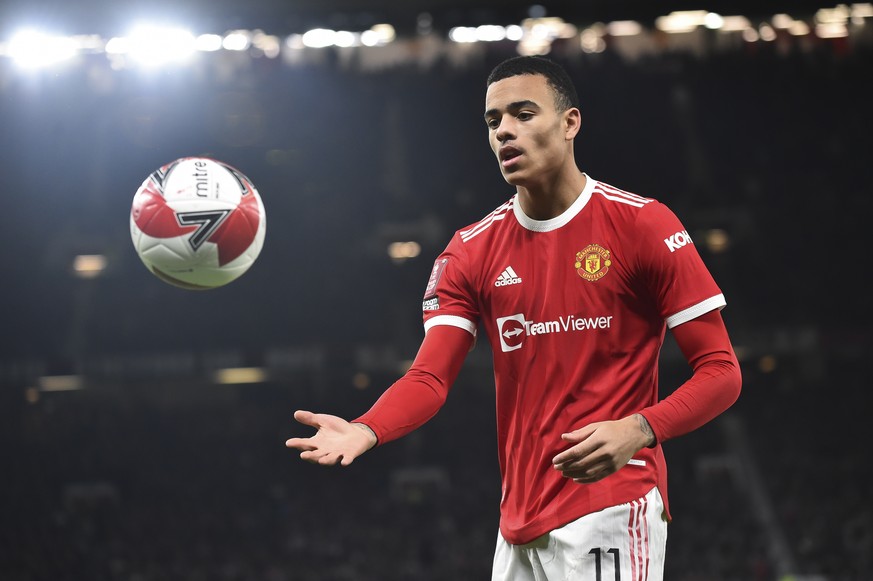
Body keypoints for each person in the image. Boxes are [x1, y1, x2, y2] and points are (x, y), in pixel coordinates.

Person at [286, 55, 742, 580]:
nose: (505, 130)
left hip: (614, 504)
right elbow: (430, 377)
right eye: (493, 120)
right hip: (519, 524)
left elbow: (721, 372)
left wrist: (640, 429)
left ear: (570, 123)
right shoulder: (470, 251)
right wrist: (367, 429)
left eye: (524, 114)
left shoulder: (642, 224)